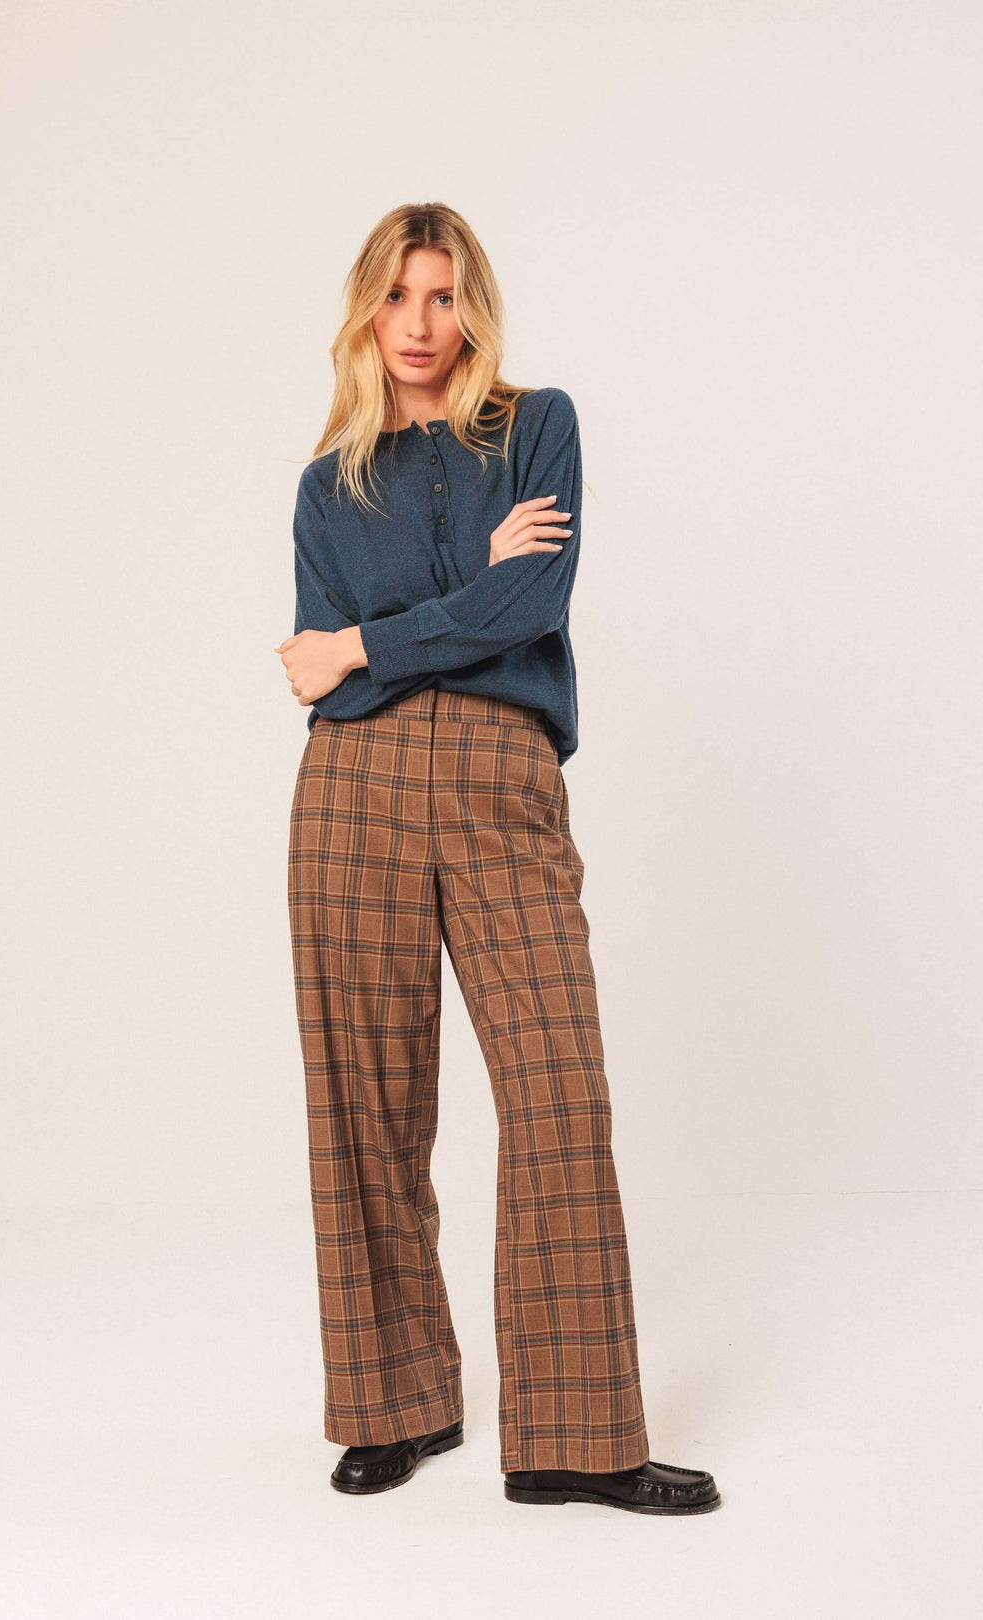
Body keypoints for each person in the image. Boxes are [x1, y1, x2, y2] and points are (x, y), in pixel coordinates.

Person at [276, 202, 721, 1516]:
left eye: (445, 296)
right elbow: (318, 672)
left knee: (558, 1094)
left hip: (498, 776)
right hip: (350, 789)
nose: (422, 325)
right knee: (368, 1103)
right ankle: (391, 1404)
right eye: (399, 298)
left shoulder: (536, 428)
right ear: (368, 311)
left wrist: (368, 642)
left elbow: (526, 605)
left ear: (476, 306)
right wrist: (436, 611)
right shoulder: (323, 486)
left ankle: (577, 1436)